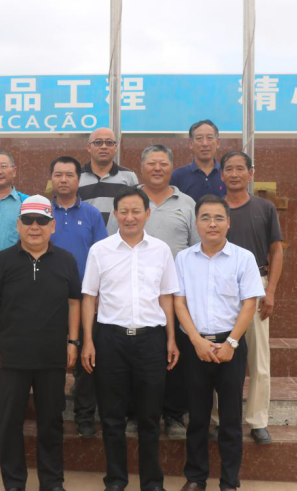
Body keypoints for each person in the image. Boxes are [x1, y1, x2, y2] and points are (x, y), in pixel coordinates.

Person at [81, 187, 180, 491]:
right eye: (123, 211)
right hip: (110, 340)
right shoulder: (100, 250)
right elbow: (89, 297)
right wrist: (88, 341)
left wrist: (171, 338)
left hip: (151, 340)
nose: (130, 217)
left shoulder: (161, 250)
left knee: (150, 417)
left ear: (147, 214)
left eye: (136, 211)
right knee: (112, 417)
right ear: (115, 214)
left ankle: (152, 482)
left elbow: (166, 296)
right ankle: (115, 481)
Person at [0, 195, 82, 491]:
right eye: (28, 220)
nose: (34, 226)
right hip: (11, 357)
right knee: (9, 422)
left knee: (51, 422)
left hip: (52, 357)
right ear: (18, 225)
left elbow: (74, 303)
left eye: (42, 221)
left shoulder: (66, 260)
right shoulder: (2, 261)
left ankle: (52, 482)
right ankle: (14, 483)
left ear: (53, 226)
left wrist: (73, 341)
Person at [173, 195, 266, 491]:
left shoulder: (243, 258)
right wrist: (196, 341)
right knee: (197, 416)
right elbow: (179, 303)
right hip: (195, 347)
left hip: (231, 346)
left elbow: (249, 304)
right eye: (205, 218)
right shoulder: (184, 259)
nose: (212, 223)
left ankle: (229, 481)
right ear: (196, 223)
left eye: (218, 218)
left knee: (230, 418)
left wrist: (232, 343)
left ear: (228, 222)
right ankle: (196, 477)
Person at [107, 145, 199, 439]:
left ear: (172, 167)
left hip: (177, 294)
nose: (157, 168)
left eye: (163, 163)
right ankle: (135, 414)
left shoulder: (187, 203)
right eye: (151, 163)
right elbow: (111, 246)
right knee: (136, 358)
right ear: (141, 167)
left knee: (174, 354)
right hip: (133, 293)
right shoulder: (128, 201)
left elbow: (196, 248)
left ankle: (173, 415)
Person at [220, 151, 284, 445]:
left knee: (258, 358)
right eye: (228, 169)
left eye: (239, 169)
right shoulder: (215, 208)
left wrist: (270, 292)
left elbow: (276, 251)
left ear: (250, 173)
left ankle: (258, 421)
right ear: (222, 174)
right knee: (218, 353)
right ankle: (216, 418)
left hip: (256, 284)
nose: (234, 174)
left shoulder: (264, 207)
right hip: (220, 287)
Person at [48, 156, 108, 438]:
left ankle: (85, 416)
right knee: (52, 360)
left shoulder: (92, 214)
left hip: (85, 300)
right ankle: (53, 414)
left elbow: (102, 256)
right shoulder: (42, 212)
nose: (63, 180)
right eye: (58, 174)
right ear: (51, 178)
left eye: (69, 175)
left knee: (87, 359)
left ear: (78, 179)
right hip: (49, 299)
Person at [78, 127, 139, 229]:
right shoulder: (76, 176)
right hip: (85, 236)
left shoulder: (128, 176)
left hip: (119, 237)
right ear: (89, 147)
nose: (104, 147)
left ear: (116, 147)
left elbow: (136, 209)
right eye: (98, 142)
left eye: (109, 143)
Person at [170, 120, 227, 201]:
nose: (205, 143)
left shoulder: (227, 174)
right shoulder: (178, 176)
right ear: (191, 143)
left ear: (217, 142)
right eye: (199, 138)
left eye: (209, 138)